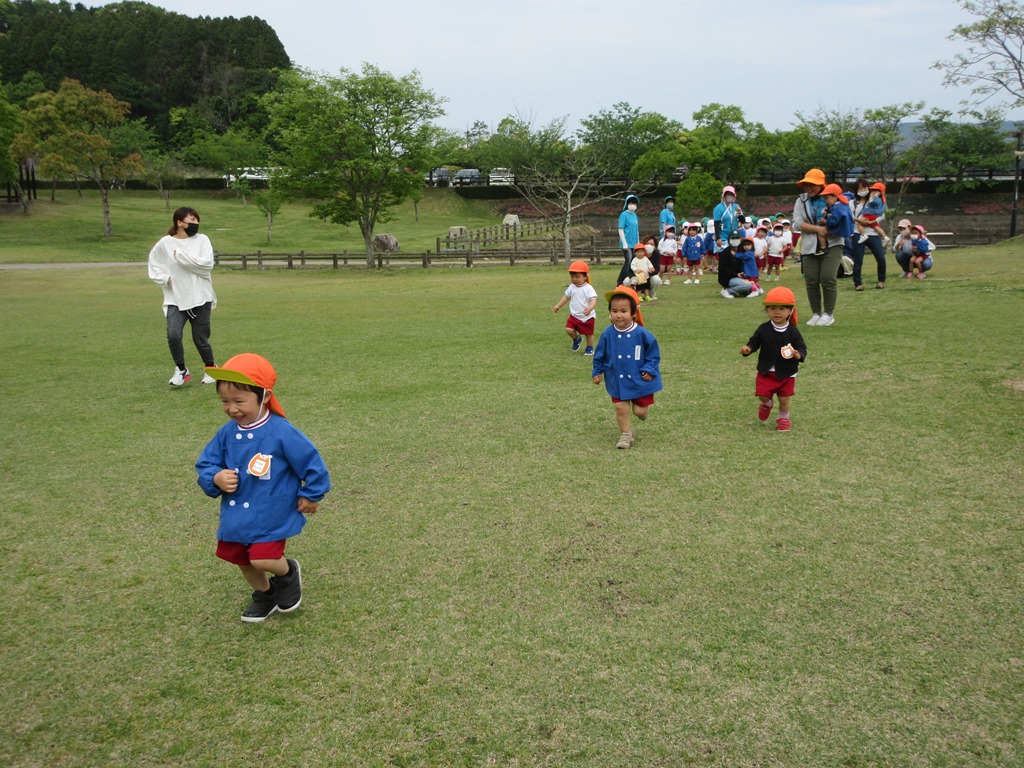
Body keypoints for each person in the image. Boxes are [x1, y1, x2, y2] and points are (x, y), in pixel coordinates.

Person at [196, 353, 331, 623]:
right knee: (241, 560)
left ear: (265, 397)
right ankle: (265, 594)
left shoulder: (281, 431)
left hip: (272, 510)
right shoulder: (226, 433)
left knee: (262, 558)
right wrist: (215, 478)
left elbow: (312, 463)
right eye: (225, 401)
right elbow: (206, 463)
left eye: (239, 401)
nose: (232, 409)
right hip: (236, 515)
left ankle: (287, 572)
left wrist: (311, 494)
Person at [148, 206, 218, 386]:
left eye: (196, 220)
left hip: (201, 296)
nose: (196, 224)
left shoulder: (202, 240)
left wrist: (182, 257)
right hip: (176, 298)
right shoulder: (165, 243)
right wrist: (166, 279)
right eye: (192, 220)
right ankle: (181, 370)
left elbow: (206, 265)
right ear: (180, 223)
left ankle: (211, 368)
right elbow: (153, 264)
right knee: (173, 334)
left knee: (200, 338)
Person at [591, 285, 662, 449]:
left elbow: (653, 355)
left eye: (623, 311)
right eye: (614, 311)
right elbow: (599, 355)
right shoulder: (608, 334)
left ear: (634, 313)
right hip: (617, 380)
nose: (618, 315)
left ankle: (643, 413)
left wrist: (650, 370)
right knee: (620, 406)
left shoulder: (642, 334)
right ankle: (626, 435)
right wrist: (597, 371)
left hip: (640, 380)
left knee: (639, 411)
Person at [740, 286, 807, 432]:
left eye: (782, 308)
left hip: (787, 372)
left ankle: (784, 418)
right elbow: (754, 342)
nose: (777, 312)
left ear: (790, 311)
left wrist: (798, 355)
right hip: (766, 371)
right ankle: (767, 404)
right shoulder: (763, 328)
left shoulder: (793, 331)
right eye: (772, 308)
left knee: (784, 399)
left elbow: (802, 347)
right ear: (767, 310)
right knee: (762, 395)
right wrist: (748, 349)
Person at [792, 169, 842, 327]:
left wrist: (828, 229)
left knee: (827, 278)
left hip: (833, 243)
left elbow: (842, 218)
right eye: (806, 184)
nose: (809, 187)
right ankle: (816, 313)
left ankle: (828, 314)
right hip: (809, 245)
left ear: (821, 184)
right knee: (811, 280)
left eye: (812, 184)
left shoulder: (833, 198)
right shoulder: (801, 200)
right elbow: (797, 223)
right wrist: (818, 229)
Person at [553, 260, 598, 355]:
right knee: (568, 329)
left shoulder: (588, 288)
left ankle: (589, 348)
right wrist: (558, 305)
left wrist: (590, 308)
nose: (574, 279)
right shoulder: (572, 287)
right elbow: (566, 297)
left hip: (587, 316)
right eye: (572, 277)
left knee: (588, 334)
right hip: (574, 315)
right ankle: (577, 339)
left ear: (585, 277)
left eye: (577, 277)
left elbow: (593, 299)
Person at [850, 180, 888, 290]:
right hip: (858, 232)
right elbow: (850, 216)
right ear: (856, 190)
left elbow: (882, 214)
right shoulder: (852, 203)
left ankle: (881, 281)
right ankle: (858, 283)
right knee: (858, 260)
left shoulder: (874, 200)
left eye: (865, 188)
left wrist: (872, 222)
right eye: (860, 188)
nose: (863, 190)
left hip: (873, 233)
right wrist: (859, 220)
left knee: (881, 258)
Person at [717, 233, 758, 298]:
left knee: (751, 284)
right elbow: (723, 269)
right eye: (733, 239)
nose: (735, 240)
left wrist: (742, 276)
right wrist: (736, 274)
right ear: (729, 240)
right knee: (748, 285)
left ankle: (739, 291)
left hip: (740, 277)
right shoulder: (725, 252)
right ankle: (727, 291)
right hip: (727, 278)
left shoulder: (741, 251)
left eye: (737, 238)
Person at [616, 194, 641, 286]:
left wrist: (638, 242)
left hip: (634, 243)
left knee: (633, 263)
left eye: (634, 203)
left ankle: (630, 279)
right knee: (628, 261)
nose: (632, 205)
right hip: (627, 243)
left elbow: (636, 230)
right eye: (630, 203)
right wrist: (624, 243)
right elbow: (620, 229)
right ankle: (619, 281)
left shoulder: (635, 215)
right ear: (627, 204)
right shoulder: (624, 215)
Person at [712, 185, 744, 251]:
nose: (729, 196)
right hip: (723, 236)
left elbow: (743, 220)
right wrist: (718, 238)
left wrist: (739, 213)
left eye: (731, 194)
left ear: (734, 196)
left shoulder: (736, 206)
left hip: (734, 236)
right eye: (728, 194)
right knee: (724, 257)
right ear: (724, 195)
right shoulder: (718, 208)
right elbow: (716, 224)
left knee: (734, 257)